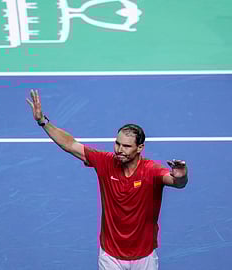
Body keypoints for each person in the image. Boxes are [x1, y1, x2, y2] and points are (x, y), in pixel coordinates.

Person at [26, 89, 188, 270]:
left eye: (126, 146)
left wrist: (182, 177)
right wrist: (43, 122)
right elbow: (70, 144)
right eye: (117, 143)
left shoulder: (151, 170)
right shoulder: (105, 162)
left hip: (144, 256)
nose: (119, 149)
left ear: (140, 147)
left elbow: (176, 182)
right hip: (110, 256)